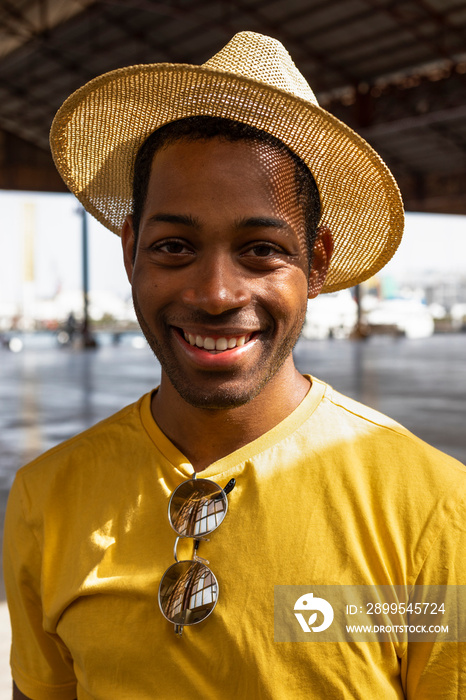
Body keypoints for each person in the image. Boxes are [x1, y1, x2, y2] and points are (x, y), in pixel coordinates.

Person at [4, 31, 465, 700]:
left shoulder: (432, 508)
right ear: (130, 248)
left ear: (317, 261)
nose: (216, 294)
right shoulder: (47, 498)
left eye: (260, 250)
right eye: (174, 246)